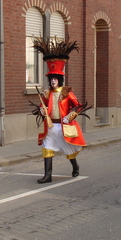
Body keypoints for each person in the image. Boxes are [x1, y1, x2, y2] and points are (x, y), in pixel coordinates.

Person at [33, 37, 87, 184]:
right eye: (51, 79)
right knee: (47, 148)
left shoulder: (67, 92)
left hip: (63, 126)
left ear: (59, 79)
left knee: (69, 151)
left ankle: (75, 167)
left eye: (55, 79)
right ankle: (47, 175)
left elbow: (78, 106)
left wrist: (69, 116)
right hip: (50, 126)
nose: (53, 81)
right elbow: (42, 106)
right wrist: (41, 111)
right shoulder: (46, 93)